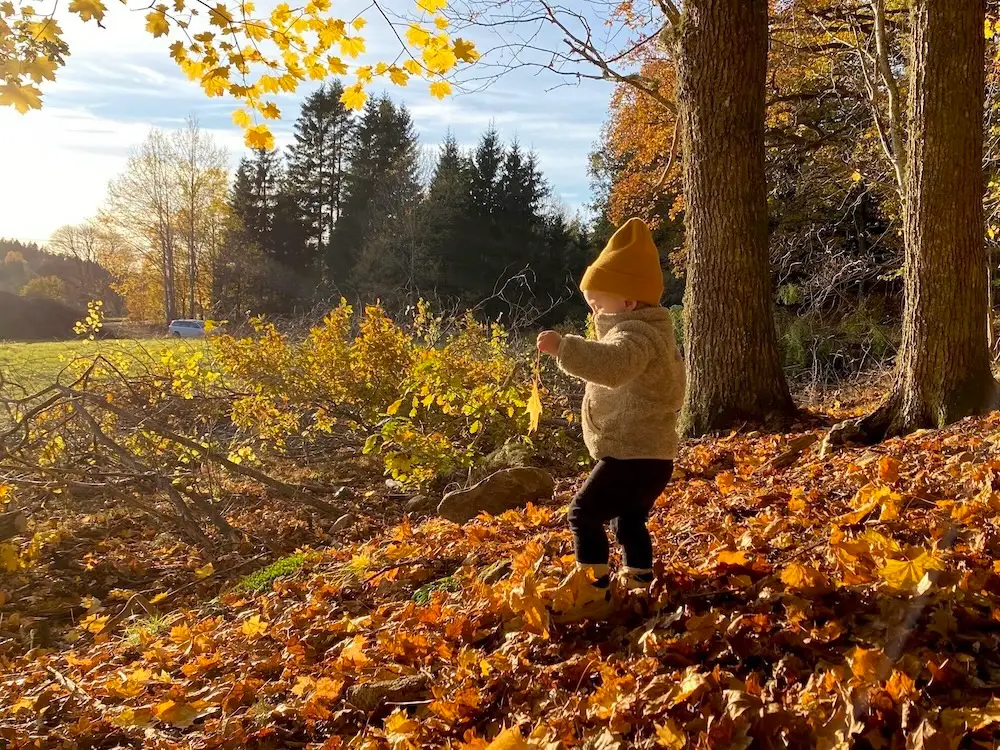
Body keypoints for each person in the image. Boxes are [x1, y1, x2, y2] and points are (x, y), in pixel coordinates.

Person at [537, 217, 685, 622]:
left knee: (582, 512)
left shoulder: (635, 336)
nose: (595, 309)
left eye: (600, 302)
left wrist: (564, 348)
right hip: (652, 455)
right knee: (628, 520)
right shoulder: (653, 334)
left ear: (630, 302)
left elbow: (613, 365)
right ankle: (640, 582)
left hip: (632, 454)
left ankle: (593, 592)